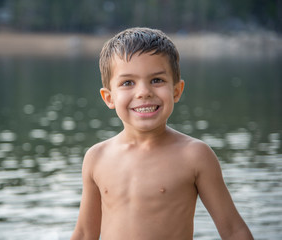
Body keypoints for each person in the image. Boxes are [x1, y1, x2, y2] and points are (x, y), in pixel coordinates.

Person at [70, 27, 253, 240]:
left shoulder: (194, 155)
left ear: (176, 91)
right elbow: (84, 233)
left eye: (157, 80)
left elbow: (233, 230)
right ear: (109, 97)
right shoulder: (97, 157)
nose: (144, 92)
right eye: (128, 83)